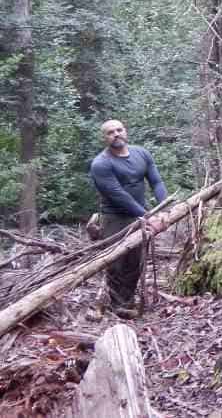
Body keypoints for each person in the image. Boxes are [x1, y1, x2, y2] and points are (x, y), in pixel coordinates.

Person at [89, 120, 168, 317]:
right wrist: (148, 215)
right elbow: (118, 194)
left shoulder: (142, 153)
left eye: (119, 130)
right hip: (114, 218)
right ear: (104, 138)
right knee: (117, 263)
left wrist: (165, 207)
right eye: (110, 132)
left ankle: (127, 301)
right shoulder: (101, 164)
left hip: (141, 214)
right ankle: (118, 305)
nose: (116, 134)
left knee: (136, 262)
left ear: (126, 131)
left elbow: (156, 181)